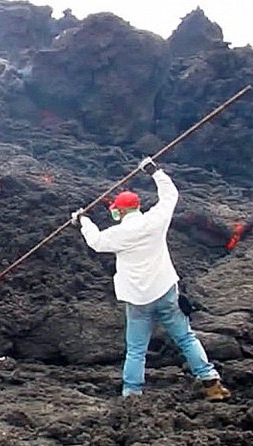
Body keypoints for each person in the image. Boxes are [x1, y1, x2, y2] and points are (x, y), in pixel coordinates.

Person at [70, 157, 232, 401]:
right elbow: (170, 195)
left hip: (137, 299)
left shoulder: (118, 234)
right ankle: (211, 382)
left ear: (121, 210)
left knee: (136, 349)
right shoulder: (155, 220)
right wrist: (154, 171)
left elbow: (96, 242)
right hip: (165, 291)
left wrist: (83, 220)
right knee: (186, 337)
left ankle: (132, 394)